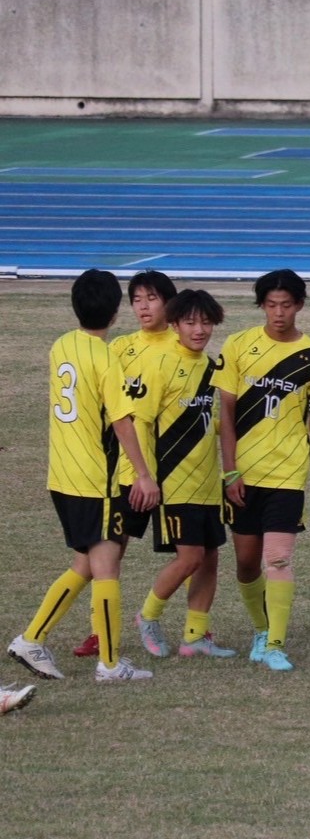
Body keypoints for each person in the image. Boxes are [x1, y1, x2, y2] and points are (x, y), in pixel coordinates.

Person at [7, 269, 160, 683]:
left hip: (61, 475)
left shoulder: (61, 346)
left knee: (85, 564)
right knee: (106, 566)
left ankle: (31, 638)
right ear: (115, 313)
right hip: (96, 481)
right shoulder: (105, 358)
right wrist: (143, 475)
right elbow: (123, 421)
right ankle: (109, 665)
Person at [214, 269, 310, 672]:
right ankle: (262, 629)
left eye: (286, 305)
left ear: (299, 305)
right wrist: (230, 471)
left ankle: (276, 645)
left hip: (287, 474)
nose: (278, 313)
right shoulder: (237, 345)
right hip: (243, 475)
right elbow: (225, 411)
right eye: (271, 305)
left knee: (278, 560)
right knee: (247, 563)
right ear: (261, 305)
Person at [73, 269, 181, 659]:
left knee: (198, 551)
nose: (144, 306)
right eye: (136, 299)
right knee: (107, 550)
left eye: (152, 298)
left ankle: (197, 628)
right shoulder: (118, 349)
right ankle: (99, 632)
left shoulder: (184, 345)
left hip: (177, 468)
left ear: (169, 301)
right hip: (125, 470)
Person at [131, 290, 238, 660]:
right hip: (174, 484)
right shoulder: (160, 364)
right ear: (175, 324)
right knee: (189, 558)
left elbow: (222, 426)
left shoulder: (213, 369)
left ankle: (194, 637)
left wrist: (229, 474)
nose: (199, 330)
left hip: (209, 485)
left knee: (210, 558)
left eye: (206, 322)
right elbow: (141, 422)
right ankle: (147, 616)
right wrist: (144, 476)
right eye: (190, 322)